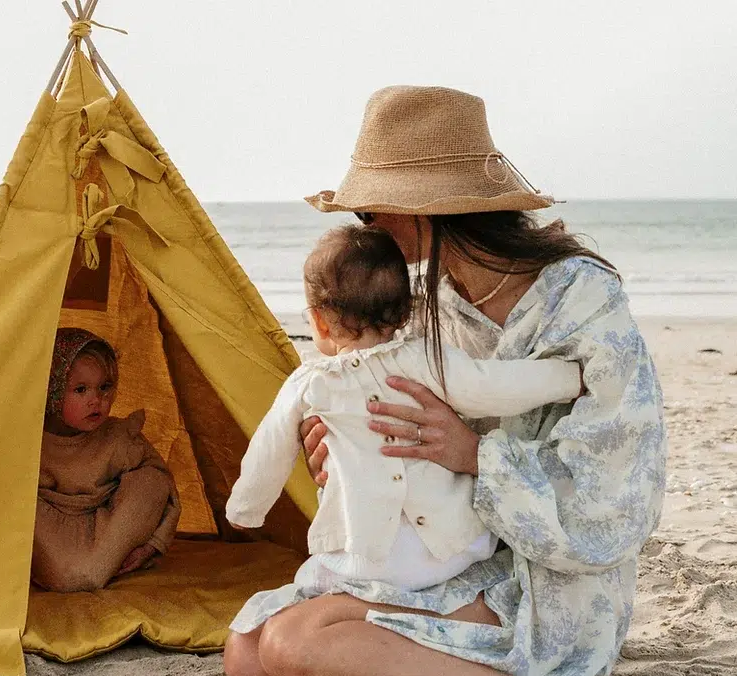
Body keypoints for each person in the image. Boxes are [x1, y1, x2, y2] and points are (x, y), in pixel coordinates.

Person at [223, 86, 667, 676]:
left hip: (551, 583)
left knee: (292, 644)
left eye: (373, 208)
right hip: (445, 560)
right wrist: (346, 455)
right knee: (249, 655)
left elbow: (615, 508)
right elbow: (404, 450)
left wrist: (471, 454)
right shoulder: (426, 302)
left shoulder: (583, 303)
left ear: (427, 211)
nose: (365, 226)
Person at [226, 224, 584, 597]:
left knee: (306, 584)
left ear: (318, 320)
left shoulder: (308, 384)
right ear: (403, 313)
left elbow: (267, 453)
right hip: (455, 548)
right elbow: (491, 386)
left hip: (369, 561)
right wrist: (568, 378)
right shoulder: (424, 358)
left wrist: (245, 511)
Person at [31, 327, 181, 592]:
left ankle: (107, 562)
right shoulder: (31, 440)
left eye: (105, 387)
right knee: (20, 504)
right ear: (52, 391)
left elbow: (165, 489)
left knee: (152, 481)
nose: (96, 400)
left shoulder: (118, 436)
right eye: (80, 390)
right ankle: (86, 571)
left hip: (110, 529)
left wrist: (153, 544)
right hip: (56, 533)